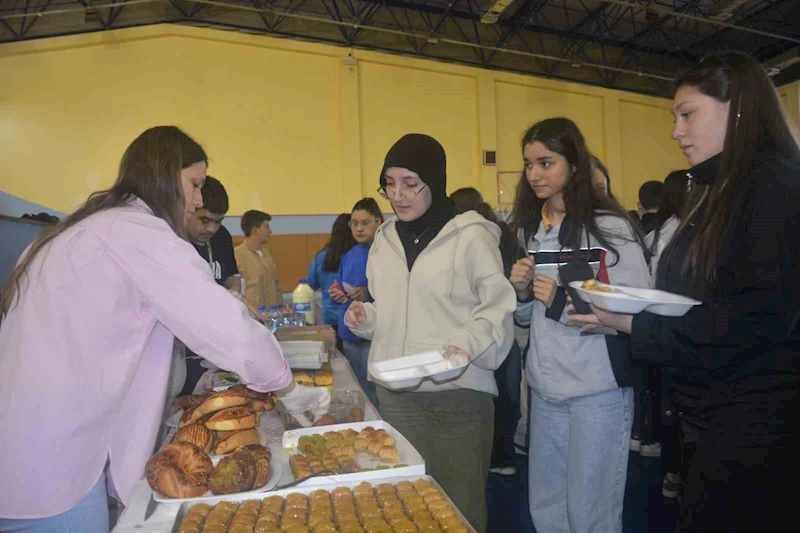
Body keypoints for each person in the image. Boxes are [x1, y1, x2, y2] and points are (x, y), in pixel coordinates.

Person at [0, 126, 330, 532]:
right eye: (194, 184)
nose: (196, 200)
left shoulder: (81, 229)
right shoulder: (137, 231)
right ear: (163, 175)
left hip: (26, 447)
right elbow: (223, 325)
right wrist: (287, 388)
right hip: (54, 464)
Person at [572, 52, 800, 532]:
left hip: (756, 429)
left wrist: (635, 323)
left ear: (736, 110)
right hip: (715, 420)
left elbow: (754, 321)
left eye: (687, 113)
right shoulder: (723, 188)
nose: (676, 131)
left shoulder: (775, 187)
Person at [345, 134, 516, 532]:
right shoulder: (384, 239)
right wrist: (366, 318)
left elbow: (497, 310)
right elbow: (392, 310)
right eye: (389, 183)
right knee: (401, 511)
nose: (398, 194)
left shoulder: (471, 236)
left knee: (458, 511)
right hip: (396, 399)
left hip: (457, 399)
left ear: (434, 181)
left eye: (410, 183)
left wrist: (465, 344)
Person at [508, 117, 650, 533]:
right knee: (547, 508)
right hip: (546, 392)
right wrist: (520, 294)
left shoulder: (611, 229)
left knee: (592, 514)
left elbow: (635, 315)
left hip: (596, 394)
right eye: (529, 164)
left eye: (545, 162)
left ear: (574, 164)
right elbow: (526, 319)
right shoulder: (533, 229)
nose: (534, 174)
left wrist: (558, 302)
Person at [451, 186, 524, 476]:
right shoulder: (503, 234)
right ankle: (504, 454)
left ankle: (489, 456)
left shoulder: (464, 238)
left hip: (473, 329)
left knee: (483, 397)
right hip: (507, 327)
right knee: (508, 395)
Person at [180, 176, 242, 396]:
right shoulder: (173, 242)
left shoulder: (222, 237)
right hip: (182, 352)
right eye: (204, 220)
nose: (211, 229)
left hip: (217, 346)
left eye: (218, 221)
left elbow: (231, 275)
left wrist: (234, 293)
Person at [330, 198, 383, 408]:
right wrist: (337, 292)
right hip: (350, 336)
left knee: (377, 393)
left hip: (374, 338)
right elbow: (340, 286)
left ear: (378, 222)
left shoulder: (386, 254)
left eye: (365, 222)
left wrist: (368, 293)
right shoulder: (349, 256)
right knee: (356, 392)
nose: (359, 229)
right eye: (354, 223)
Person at [307, 213, 356, 353]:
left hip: (331, 319)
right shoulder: (357, 256)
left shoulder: (322, 256)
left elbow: (310, 283)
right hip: (355, 318)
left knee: (337, 360)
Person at [235, 210, 282, 310]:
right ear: (255, 230)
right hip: (251, 319)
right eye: (267, 227)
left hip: (272, 317)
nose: (270, 231)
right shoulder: (237, 256)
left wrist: (280, 306)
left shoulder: (267, 255)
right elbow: (234, 292)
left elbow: (276, 284)